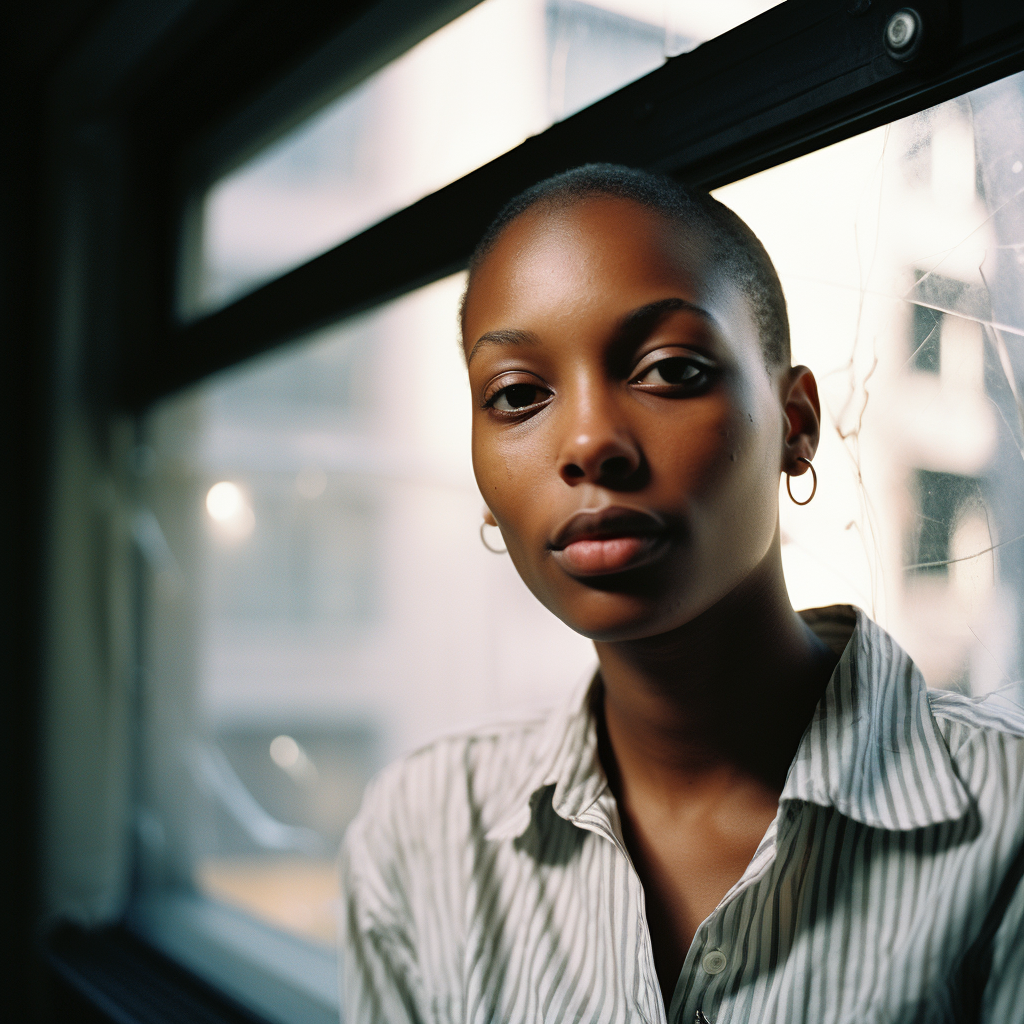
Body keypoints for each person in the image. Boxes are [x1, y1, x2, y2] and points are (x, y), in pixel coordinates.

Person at [339, 165, 1024, 1023]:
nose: (589, 442)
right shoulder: (420, 832)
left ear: (796, 423)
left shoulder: (1009, 820)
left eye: (668, 370)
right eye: (518, 395)